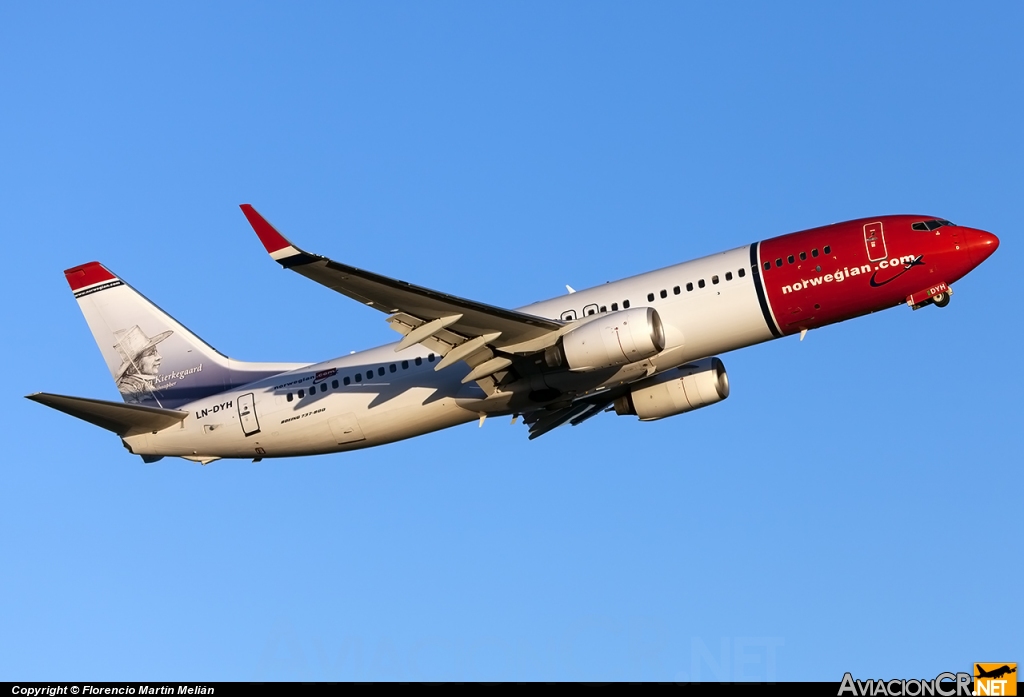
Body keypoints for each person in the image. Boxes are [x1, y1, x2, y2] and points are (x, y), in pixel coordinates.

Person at [113, 325, 173, 403]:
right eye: (151, 353)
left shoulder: (148, 383)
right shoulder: (126, 390)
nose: (159, 357)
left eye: (156, 352)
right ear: (136, 362)